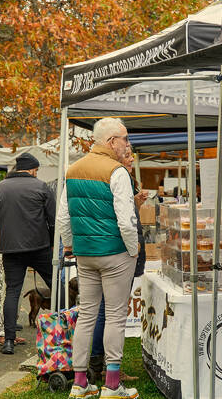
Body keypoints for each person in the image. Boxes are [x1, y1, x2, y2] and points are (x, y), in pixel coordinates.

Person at [57, 117, 139, 399]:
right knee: (115, 316)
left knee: (87, 315)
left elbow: (63, 217)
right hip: (115, 252)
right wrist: (134, 248)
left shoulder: (73, 169)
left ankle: (80, 383)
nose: (127, 144)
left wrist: (69, 245)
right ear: (111, 141)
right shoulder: (117, 171)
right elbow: (127, 220)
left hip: (85, 254)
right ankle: (112, 385)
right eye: (125, 139)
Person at [88, 146, 145, 383]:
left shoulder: (123, 179)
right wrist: (133, 250)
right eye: (128, 155)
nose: (131, 159)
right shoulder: (115, 177)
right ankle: (105, 366)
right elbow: (120, 218)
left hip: (111, 249)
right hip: (119, 251)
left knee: (105, 311)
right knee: (110, 313)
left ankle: (96, 365)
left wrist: (136, 204)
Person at [0, 152, 55, 355]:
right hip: (39, 247)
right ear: (33, 169)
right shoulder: (41, 187)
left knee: (12, 292)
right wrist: (52, 244)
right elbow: (52, 219)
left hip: (11, 249)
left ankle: (8, 340)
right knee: (57, 285)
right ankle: (64, 329)